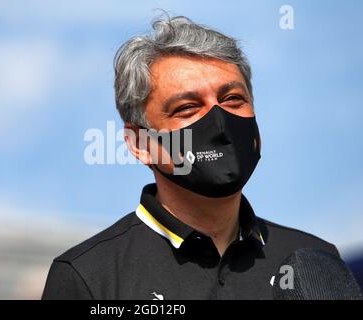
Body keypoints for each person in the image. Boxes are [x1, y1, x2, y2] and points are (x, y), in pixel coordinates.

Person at [42, 15, 341, 300]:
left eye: (232, 99)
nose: (219, 122)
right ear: (140, 143)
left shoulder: (315, 262)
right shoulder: (89, 275)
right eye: (187, 108)